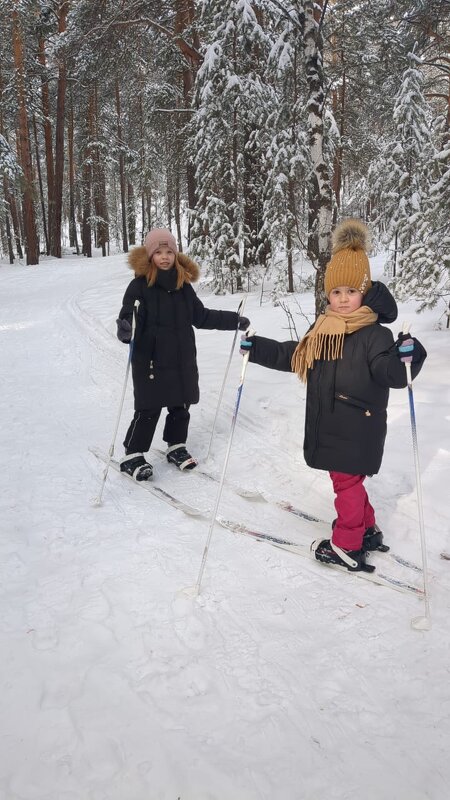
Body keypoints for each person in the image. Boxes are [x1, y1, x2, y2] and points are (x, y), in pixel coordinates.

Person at [240, 219, 426, 573]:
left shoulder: (375, 334)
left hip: (357, 425)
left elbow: (390, 373)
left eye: (350, 292)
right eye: (335, 292)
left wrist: (410, 355)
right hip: (331, 422)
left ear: (365, 293)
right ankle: (367, 530)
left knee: (346, 484)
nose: (342, 299)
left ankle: (348, 544)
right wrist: (258, 348)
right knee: (348, 481)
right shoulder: (323, 328)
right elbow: (295, 355)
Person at [116, 228, 249, 480]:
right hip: (151, 361)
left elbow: (201, 316)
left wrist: (234, 320)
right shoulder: (139, 287)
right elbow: (128, 316)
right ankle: (132, 453)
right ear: (150, 255)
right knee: (149, 407)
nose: (164, 257)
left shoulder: (182, 286)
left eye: (169, 252)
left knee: (181, 404)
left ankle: (176, 445)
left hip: (181, 358)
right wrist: (125, 329)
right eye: (159, 252)